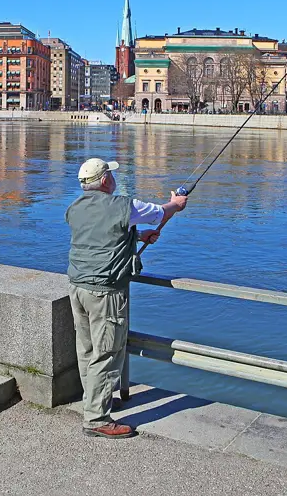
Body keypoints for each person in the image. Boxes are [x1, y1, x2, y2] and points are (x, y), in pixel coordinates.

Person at [65, 158, 187, 439]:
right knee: (107, 352)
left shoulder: (74, 208)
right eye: (111, 174)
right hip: (105, 291)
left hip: (78, 287)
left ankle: (95, 401)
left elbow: (99, 235)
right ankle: (97, 419)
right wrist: (177, 204)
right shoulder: (123, 205)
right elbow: (161, 211)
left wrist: (135, 236)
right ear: (106, 180)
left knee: (86, 349)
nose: (114, 178)